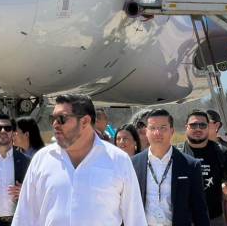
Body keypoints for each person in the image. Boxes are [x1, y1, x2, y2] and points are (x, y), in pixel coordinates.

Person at [12, 94, 146, 226]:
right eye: (52, 118)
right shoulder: (41, 159)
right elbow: (24, 217)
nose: (55, 124)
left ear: (85, 121)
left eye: (61, 119)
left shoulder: (118, 160)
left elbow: (135, 218)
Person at [132, 109, 210, 226]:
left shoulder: (190, 165)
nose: (157, 132)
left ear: (172, 131)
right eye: (152, 128)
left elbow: (199, 210)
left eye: (163, 128)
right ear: (146, 131)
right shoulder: (133, 163)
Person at [181, 110, 227, 225]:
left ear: (208, 127)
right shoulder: (176, 154)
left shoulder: (222, 153)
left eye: (202, 125)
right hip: (183, 220)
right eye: (193, 125)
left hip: (213, 220)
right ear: (186, 127)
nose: (198, 129)